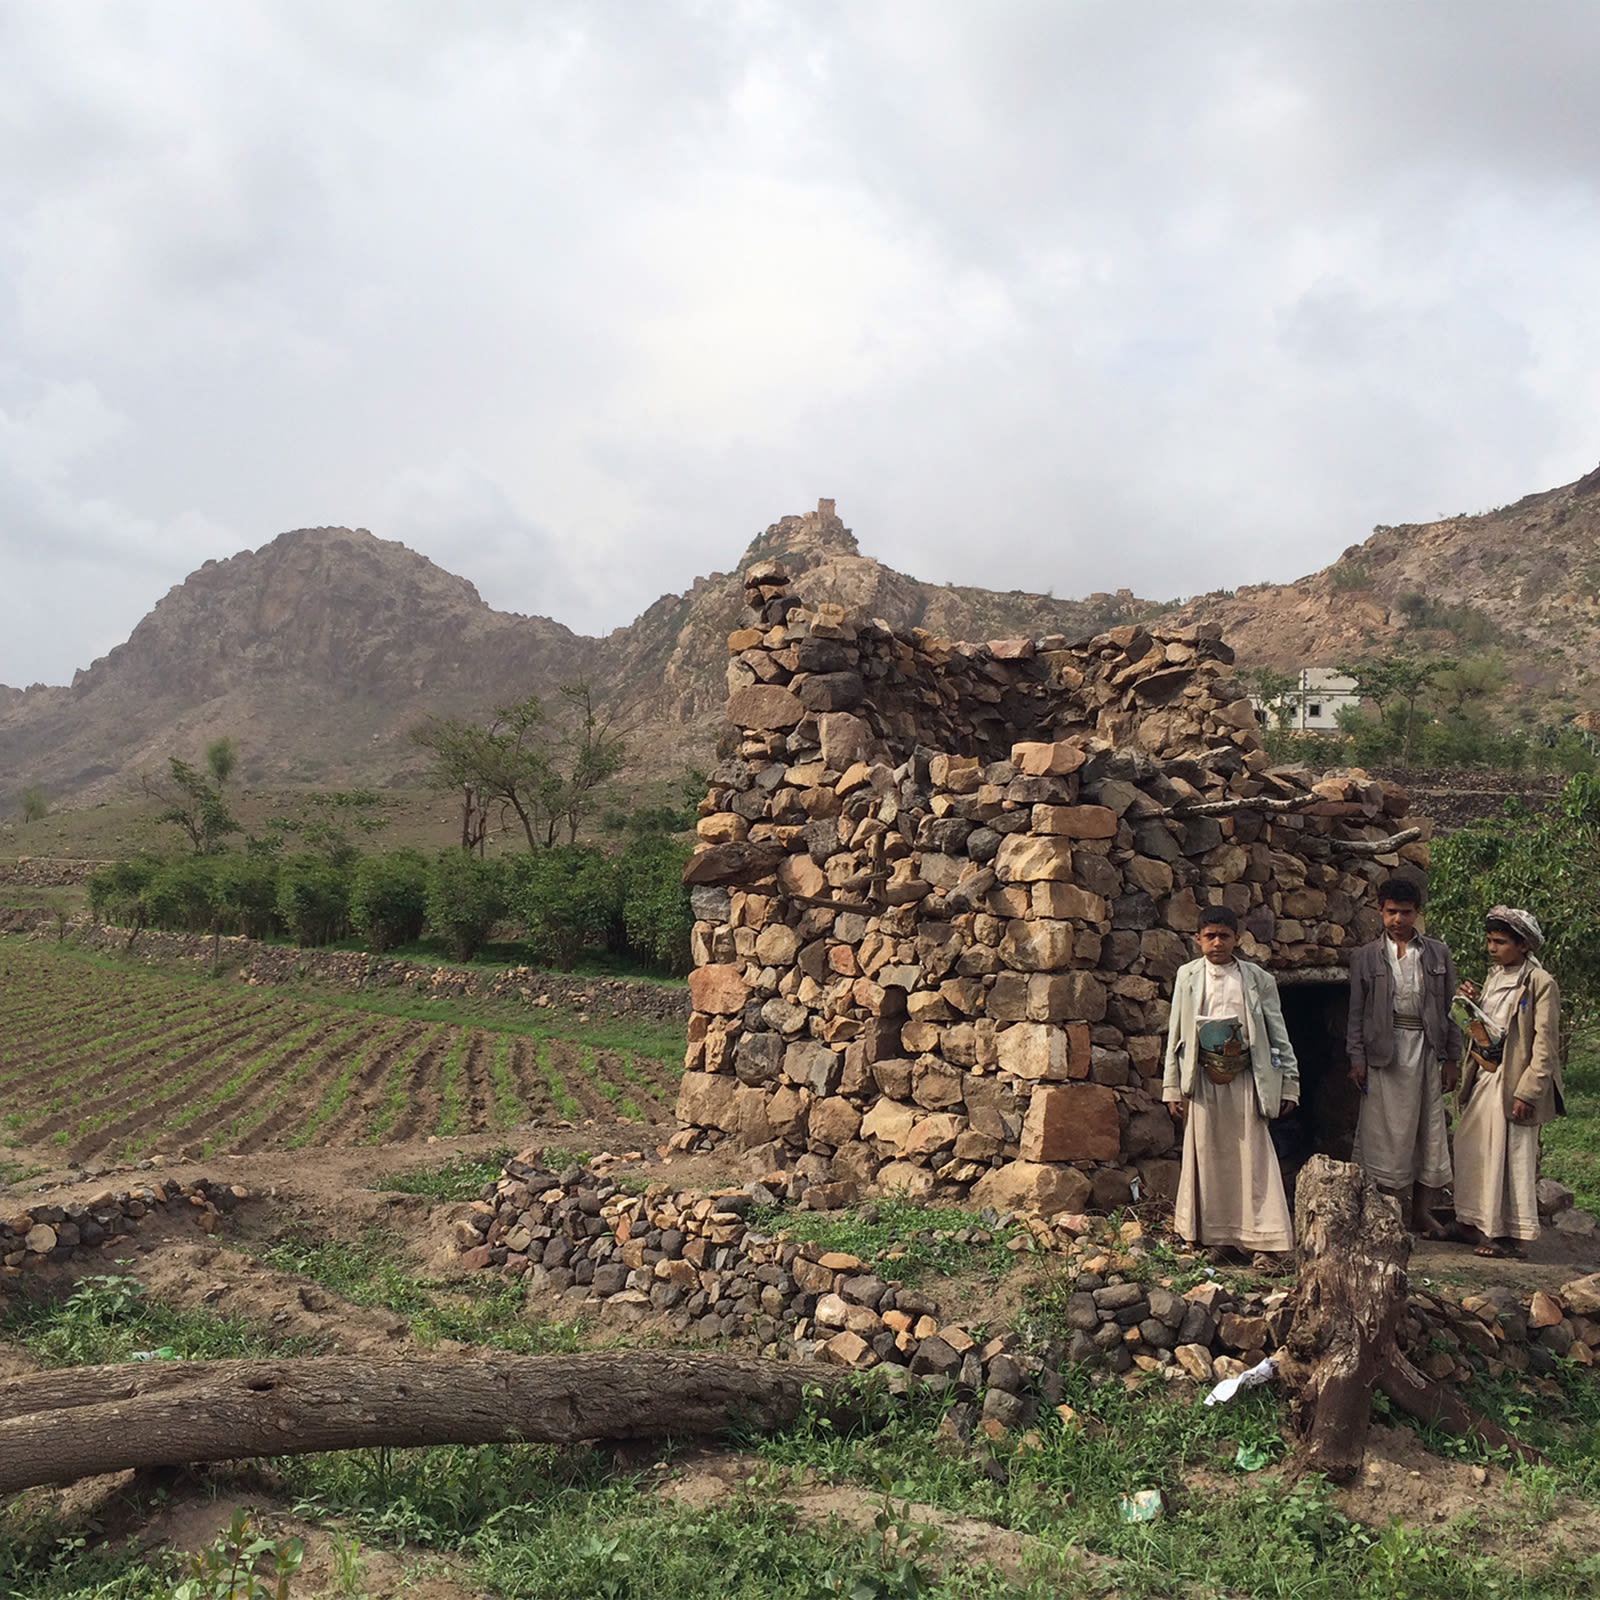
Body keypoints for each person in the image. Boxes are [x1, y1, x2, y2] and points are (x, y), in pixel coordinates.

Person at [1163, 904, 1299, 1266]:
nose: (1217, 943)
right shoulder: (1188, 977)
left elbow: (1277, 1034)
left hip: (1246, 1078)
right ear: (1197, 940)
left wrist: (1289, 1083)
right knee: (1208, 1156)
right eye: (1210, 936)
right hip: (1203, 1079)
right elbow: (1176, 1033)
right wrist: (1172, 1088)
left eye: (1224, 936)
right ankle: (1216, 1238)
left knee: (1252, 1157)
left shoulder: (1257, 980)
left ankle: (1263, 1242)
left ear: (1237, 939)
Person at [1345, 876, 1462, 1237]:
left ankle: (1421, 1213)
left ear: (1418, 914)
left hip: (1425, 1048)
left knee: (1428, 1131)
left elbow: (1451, 1008)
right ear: (1380, 911)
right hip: (1384, 1052)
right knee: (1382, 1133)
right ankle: (1383, 1212)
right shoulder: (1365, 958)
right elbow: (1356, 1012)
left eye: (1406, 913)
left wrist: (1452, 1057)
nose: (1398, 920)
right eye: (1392, 912)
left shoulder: (1437, 953)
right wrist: (1357, 1057)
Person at [1453, 906, 1563, 1259]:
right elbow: (1486, 1028)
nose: (1492, 948)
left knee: (1510, 1157)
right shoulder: (1494, 976)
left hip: (1514, 1081)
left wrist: (1528, 1091)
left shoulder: (1540, 982)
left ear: (1524, 945)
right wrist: (1469, 1005)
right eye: (1489, 940)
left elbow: (1544, 1045)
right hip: (1486, 1074)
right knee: (1474, 1149)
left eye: (1500, 942)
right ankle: (1473, 1224)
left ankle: (1506, 1237)